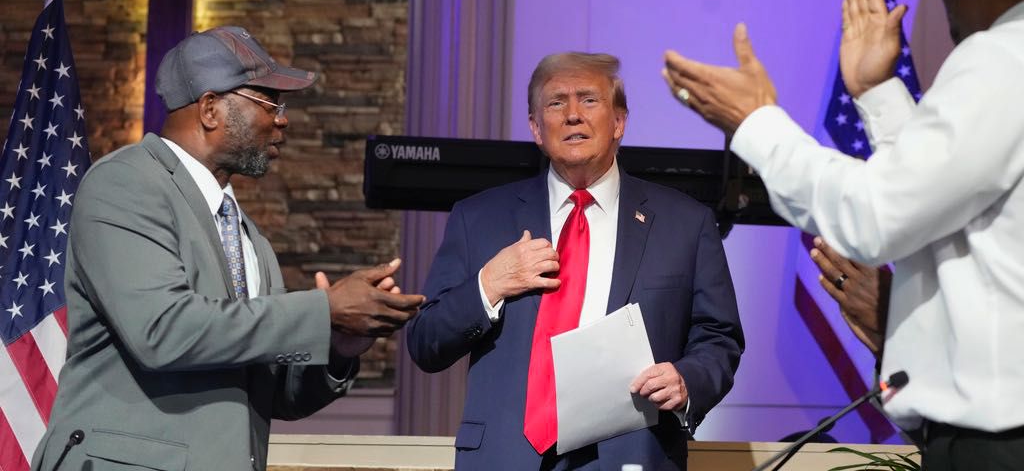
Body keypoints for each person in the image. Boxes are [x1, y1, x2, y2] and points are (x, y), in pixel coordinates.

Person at [661, 0, 1024, 468]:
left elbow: (879, 217)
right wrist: (878, 93)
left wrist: (757, 124)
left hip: (1000, 440)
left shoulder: (1001, 61)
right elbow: (940, 191)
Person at [31, 26, 425, 471]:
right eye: (269, 102)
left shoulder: (248, 236)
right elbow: (163, 330)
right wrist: (322, 311)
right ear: (211, 109)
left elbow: (273, 392)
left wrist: (338, 345)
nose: (282, 119)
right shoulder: (125, 183)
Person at [407, 52, 744, 470]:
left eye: (588, 100)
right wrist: (488, 285)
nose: (572, 116)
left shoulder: (685, 223)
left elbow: (719, 337)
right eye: (555, 103)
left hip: (631, 455)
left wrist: (687, 380)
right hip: (503, 458)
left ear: (619, 121)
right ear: (535, 128)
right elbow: (425, 343)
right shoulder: (478, 218)